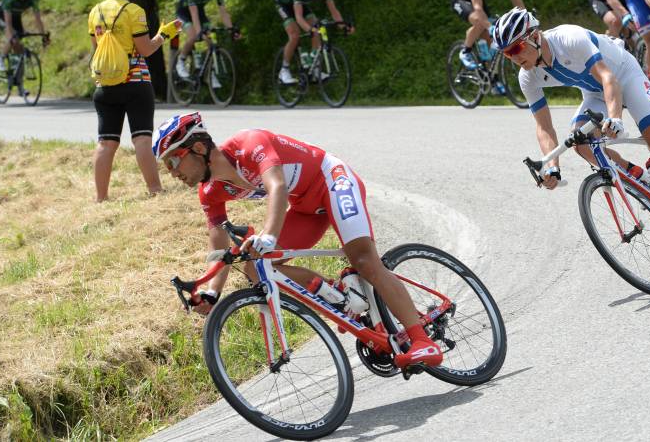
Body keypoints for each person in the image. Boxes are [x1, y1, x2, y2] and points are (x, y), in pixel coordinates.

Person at [152, 113, 443, 368]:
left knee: (365, 260)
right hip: (306, 207)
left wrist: (269, 235)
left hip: (332, 180)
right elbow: (218, 243)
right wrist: (213, 292)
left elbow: (276, 185)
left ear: (199, 148)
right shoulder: (210, 191)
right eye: (167, 166)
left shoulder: (249, 144)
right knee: (255, 269)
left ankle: (421, 340)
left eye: (174, 161)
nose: (173, 173)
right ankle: (338, 297)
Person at [493, 7, 650, 243]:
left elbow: (608, 78)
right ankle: (644, 180)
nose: (513, 57)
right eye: (507, 53)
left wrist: (615, 117)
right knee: (582, 143)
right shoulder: (527, 77)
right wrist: (551, 166)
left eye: (517, 48)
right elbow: (544, 127)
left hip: (624, 75)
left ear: (535, 37)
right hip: (595, 93)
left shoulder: (569, 38)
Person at [88, 0, 180, 202]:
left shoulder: (94, 12)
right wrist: (165, 35)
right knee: (141, 138)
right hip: (135, 81)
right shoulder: (134, 11)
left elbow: (98, 50)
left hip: (105, 84)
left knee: (106, 143)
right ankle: (155, 190)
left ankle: (101, 198)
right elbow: (146, 49)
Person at [274, 0, 351, 84]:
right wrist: (310, 30)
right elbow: (299, 18)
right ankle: (284, 70)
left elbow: (333, 10)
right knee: (295, 34)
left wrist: (343, 25)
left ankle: (313, 67)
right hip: (284, 5)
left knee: (318, 28)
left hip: (300, 4)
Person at [174, 0, 239, 82]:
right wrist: (199, 32)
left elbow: (223, 12)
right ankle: (181, 61)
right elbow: (193, 14)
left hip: (199, 12)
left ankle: (211, 71)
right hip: (183, 12)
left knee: (210, 40)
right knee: (193, 36)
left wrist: (231, 29)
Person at [0, 0, 49, 75]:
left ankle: (18, 82)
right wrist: (12, 36)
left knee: (19, 51)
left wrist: (43, 36)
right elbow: (8, 23)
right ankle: (1, 58)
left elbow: (38, 20)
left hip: (16, 17)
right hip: (3, 16)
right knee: (13, 39)